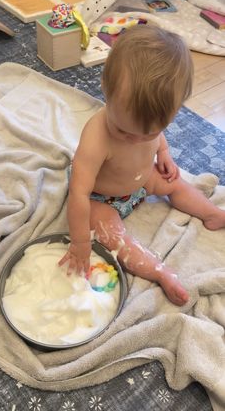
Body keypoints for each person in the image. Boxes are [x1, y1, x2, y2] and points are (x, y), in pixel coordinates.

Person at [59, 25, 225, 306]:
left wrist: (164, 154)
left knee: (174, 183)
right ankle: (160, 272)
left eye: (148, 133)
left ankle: (212, 213)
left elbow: (157, 138)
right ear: (105, 90)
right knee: (109, 232)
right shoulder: (96, 138)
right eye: (124, 132)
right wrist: (79, 244)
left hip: (141, 179)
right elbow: (79, 194)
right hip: (103, 197)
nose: (137, 139)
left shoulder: (147, 124)